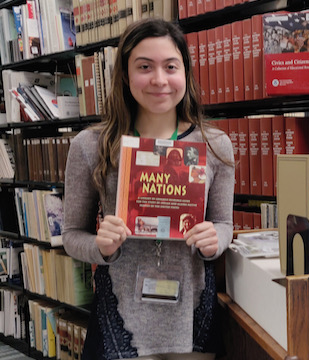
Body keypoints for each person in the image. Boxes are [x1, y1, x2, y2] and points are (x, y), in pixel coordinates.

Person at [62, 18, 235, 360]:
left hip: (191, 314)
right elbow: (70, 235)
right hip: (122, 313)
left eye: (171, 66)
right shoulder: (89, 145)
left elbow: (224, 225)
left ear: (184, 72)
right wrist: (101, 246)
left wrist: (215, 240)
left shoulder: (215, 146)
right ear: (125, 76)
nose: (159, 80)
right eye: (144, 67)